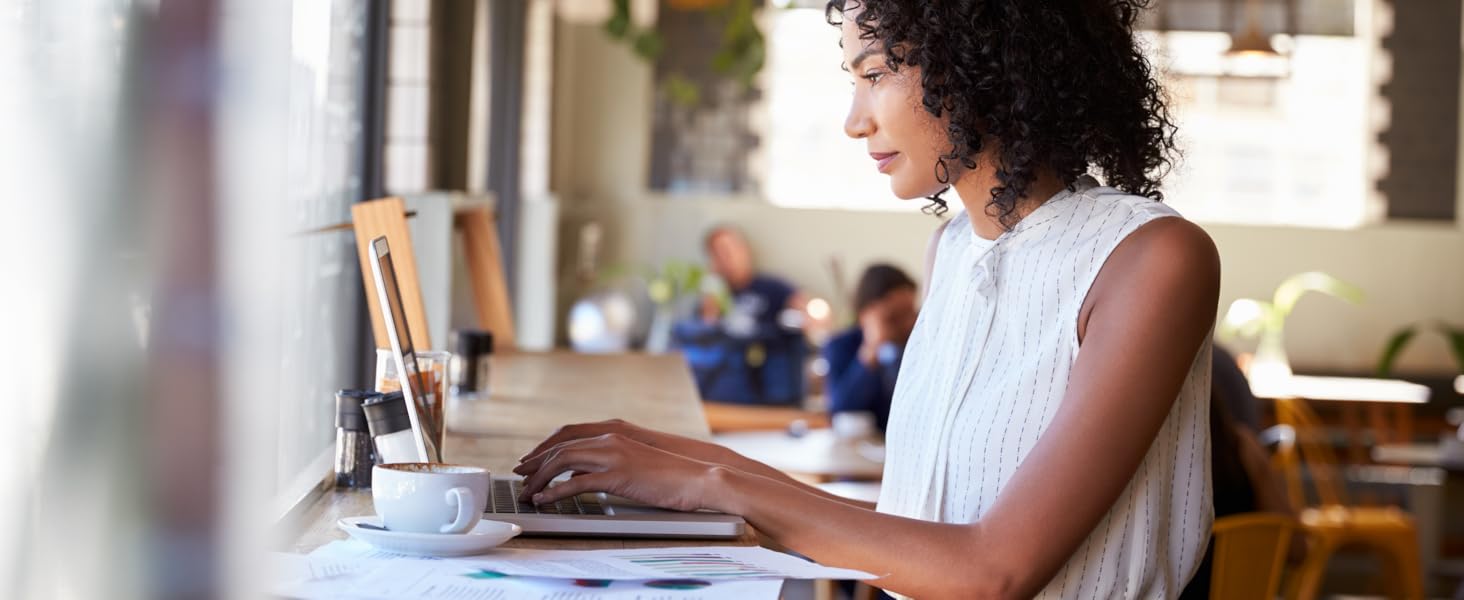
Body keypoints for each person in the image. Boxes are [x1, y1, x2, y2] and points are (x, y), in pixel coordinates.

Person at [515, 2, 1220, 597]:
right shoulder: (950, 251)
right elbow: (913, 526)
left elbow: (993, 570)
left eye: (876, 74)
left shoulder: (1149, 260)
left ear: (986, 63)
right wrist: (673, 460)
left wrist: (716, 484)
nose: (856, 121)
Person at [673, 226, 811, 406]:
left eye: (731, 249)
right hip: (727, 392)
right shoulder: (713, 295)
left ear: (745, 250)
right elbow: (704, 340)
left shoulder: (774, 288)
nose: (727, 257)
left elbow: (807, 317)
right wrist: (710, 298)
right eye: (718, 253)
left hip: (773, 387)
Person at [823, 264, 918, 433]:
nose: (909, 323)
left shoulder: (919, 345)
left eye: (912, 313)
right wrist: (873, 348)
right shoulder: (841, 346)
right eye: (896, 317)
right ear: (867, 314)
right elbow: (842, 407)